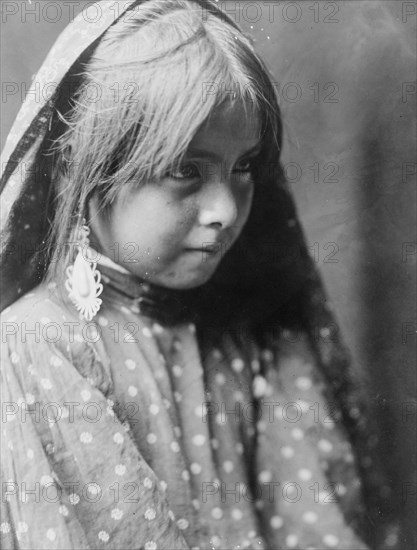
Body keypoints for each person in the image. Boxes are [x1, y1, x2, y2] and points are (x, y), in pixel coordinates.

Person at [0, 1, 399, 549]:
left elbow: (316, 522)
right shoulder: (42, 343)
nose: (227, 210)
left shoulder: (247, 328)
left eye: (243, 169)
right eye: (186, 171)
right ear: (89, 171)